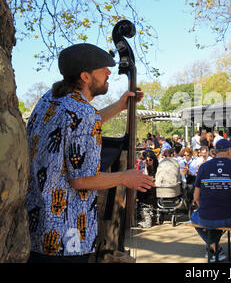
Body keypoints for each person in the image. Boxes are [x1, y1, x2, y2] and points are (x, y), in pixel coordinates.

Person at [26, 43, 154, 263]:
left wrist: (119, 106)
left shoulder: (49, 100)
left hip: (37, 227)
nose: (109, 72)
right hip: (67, 237)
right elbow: (82, 180)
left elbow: (78, 127)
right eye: (102, 68)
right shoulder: (84, 113)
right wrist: (126, 177)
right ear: (85, 76)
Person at [190, 139, 231, 261]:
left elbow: (196, 197)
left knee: (195, 218)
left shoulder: (204, 167)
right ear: (229, 151)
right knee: (215, 221)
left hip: (207, 218)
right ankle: (215, 247)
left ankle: (214, 248)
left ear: (215, 151)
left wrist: (205, 211)